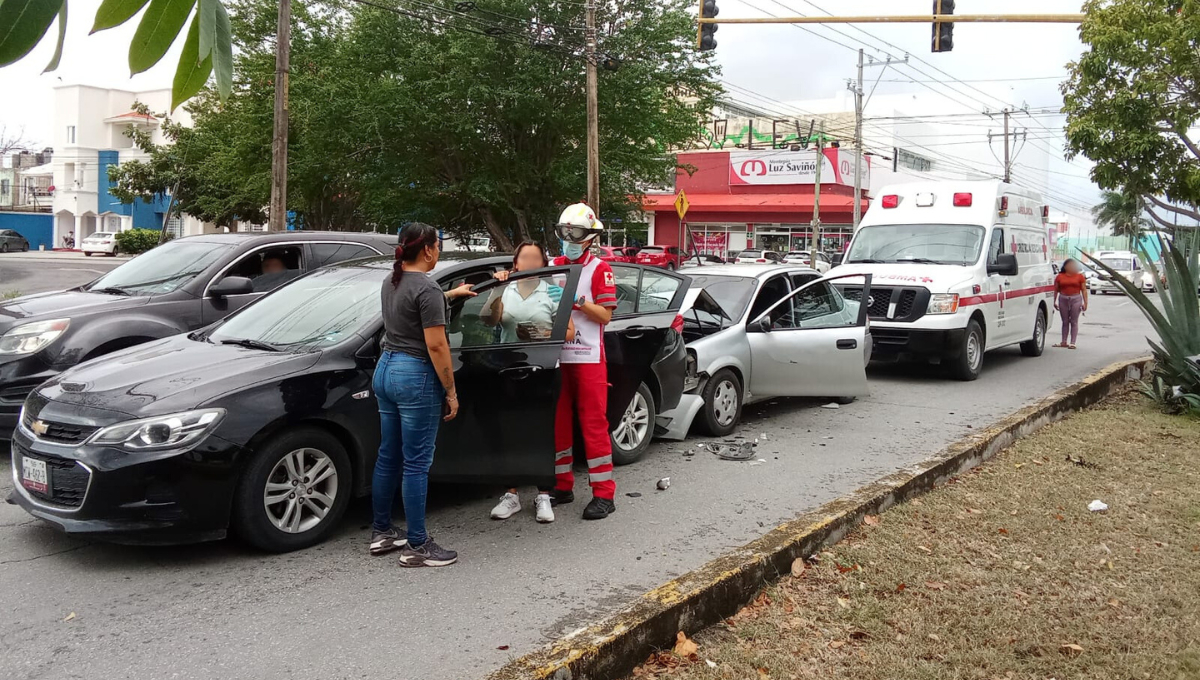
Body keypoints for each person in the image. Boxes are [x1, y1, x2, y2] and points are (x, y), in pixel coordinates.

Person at [370, 222, 476, 567]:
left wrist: (450, 295)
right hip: (414, 375)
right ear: (428, 249)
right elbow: (436, 343)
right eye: (439, 245)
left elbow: (412, 308)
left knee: (389, 455)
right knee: (416, 462)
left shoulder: (393, 280)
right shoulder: (426, 288)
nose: (439, 251)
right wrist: (451, 389)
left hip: (385, 370)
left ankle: (382, 531)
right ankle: (417, 545)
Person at [483, 242, 575, 523]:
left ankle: (544, 495)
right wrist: (497, 288)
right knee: (509, 430)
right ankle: (511, 495)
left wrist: (542, 331)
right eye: (525, 257)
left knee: (540, 431)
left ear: (543, 263)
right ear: (516, 263)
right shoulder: (506, 288)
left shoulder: (555, 291)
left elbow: (569, 332)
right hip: (507, 368)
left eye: (537, 257)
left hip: (544, 368)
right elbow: (488, 320)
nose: (531, 261)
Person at [550, 203, 620, 520]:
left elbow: (605, 315)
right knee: (558, 423)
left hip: (589, 357)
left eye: (574, 234)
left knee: (593, 425)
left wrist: (577, 301)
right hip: (556, 356)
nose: (568, 239)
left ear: (589, 238)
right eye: (564, 233)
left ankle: (604, 494)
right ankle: (562, 486)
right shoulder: (553, 266)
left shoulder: (600, 270)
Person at [1053, 257, 1088, 349]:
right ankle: (1064, 341)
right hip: (1063, 298)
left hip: (1076, 298)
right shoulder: (1060, 276)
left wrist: (1085, 303)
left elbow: (1084, 290)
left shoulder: (1080, 276)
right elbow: (1055, 290)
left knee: (1074, 321)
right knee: (1065, 321)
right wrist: (1054, 301)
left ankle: (1073, 342)